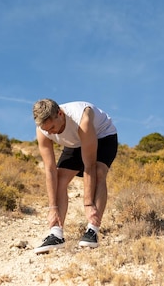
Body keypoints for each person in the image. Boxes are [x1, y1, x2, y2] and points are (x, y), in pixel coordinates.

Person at [32, 99, 118, 254]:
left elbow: (89, 165)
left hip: (103, 136)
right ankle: (56, 233)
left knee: (99, 172)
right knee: (60, 178)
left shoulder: (82, 117)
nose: (50, 132)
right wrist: (52, 208)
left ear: (60, 114)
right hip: (75, 143)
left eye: (52, 127)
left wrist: (88, 203)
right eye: (46, 130)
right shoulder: (43, 130)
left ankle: (93, 229)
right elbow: (50, 170)